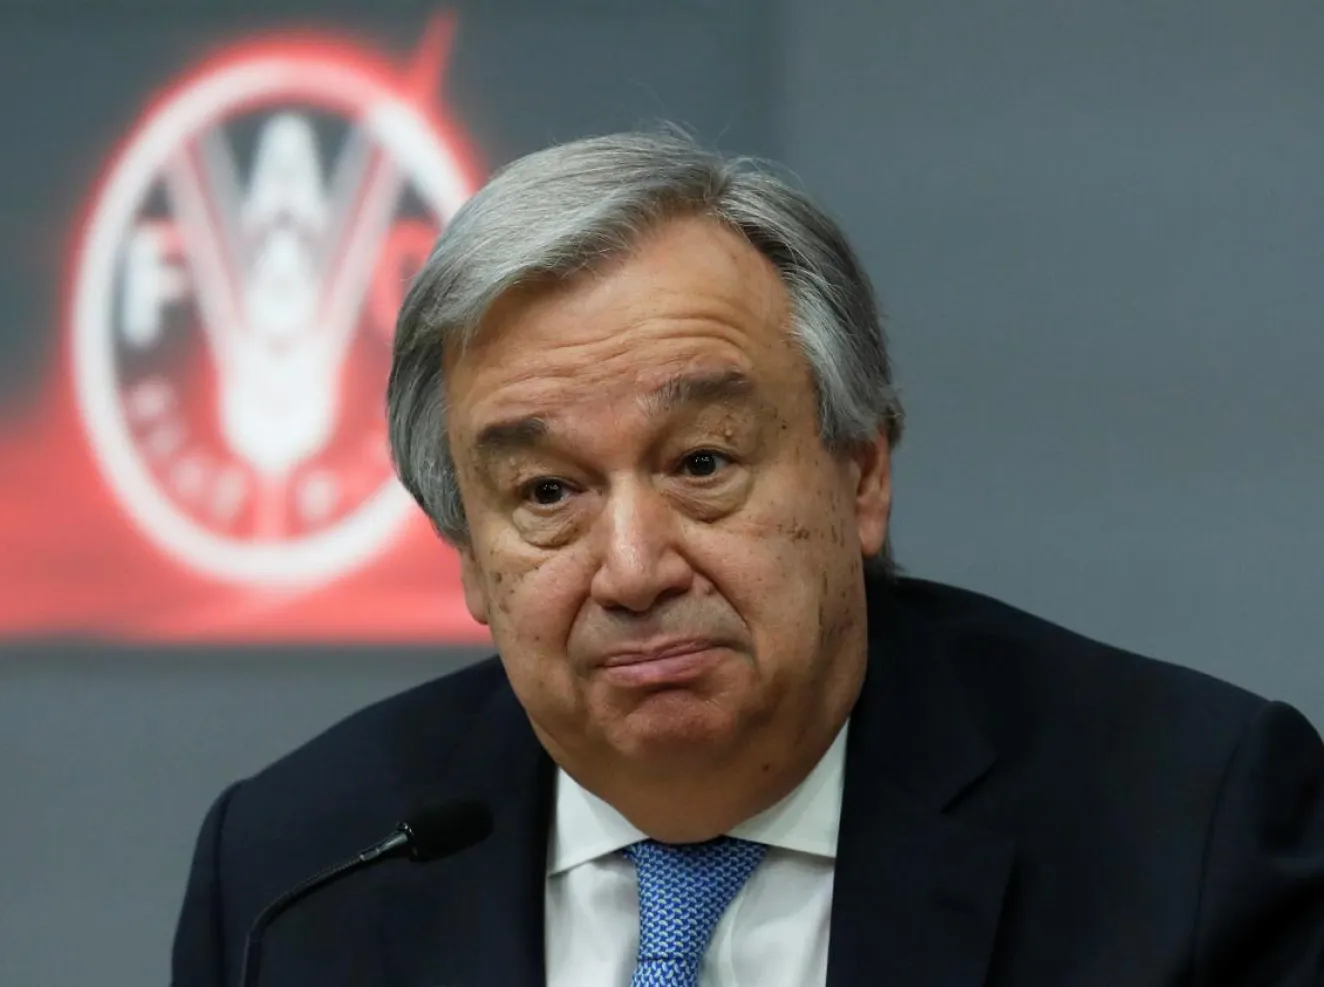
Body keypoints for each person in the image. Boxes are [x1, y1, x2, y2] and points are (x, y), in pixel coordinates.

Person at [171, 131, 1324, 987]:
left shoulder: (1189, 828)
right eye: (548, 493)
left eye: (703, 464)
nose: (633, 570)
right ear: (469, 555)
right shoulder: (298, 877)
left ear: (861, 474)